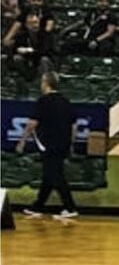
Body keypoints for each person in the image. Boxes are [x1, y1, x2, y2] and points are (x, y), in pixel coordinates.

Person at [16, 72, 77, 220]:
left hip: (48, 144)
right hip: (63, 144)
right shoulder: (66, 101)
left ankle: (70, 207)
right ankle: (37, 206)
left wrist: (22, 141)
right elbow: (74, 126)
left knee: (56, 175)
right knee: (48, 176)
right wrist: (71, 143)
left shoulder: (43, 101)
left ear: (46, 83)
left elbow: (32, 124)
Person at [2, 10, 52, 80]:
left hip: (41, 61)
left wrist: (29, 51)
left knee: (44, 60)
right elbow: (16, 48)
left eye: (36, 23)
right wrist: (17, 49)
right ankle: (26, 79)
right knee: (16, 58)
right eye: (31, 23)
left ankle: (44, 83)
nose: (35, 26)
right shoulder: (22, 35)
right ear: (26, 25)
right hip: (27, 61)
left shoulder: (45, 35)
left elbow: (45, 51)